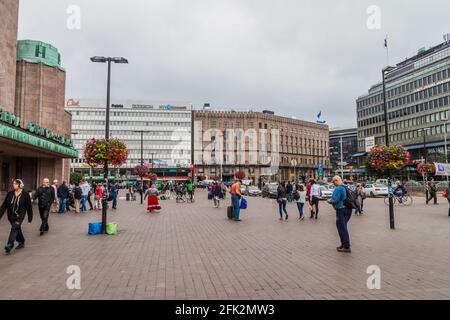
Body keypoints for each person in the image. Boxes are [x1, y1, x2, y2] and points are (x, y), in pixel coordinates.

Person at [0, 179, 33, 254]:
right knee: (17, 229)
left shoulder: (25, 194)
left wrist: (30, 217)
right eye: (13, 183)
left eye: (15, 184)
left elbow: (29, 207)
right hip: (11, 216)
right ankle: (21, 241)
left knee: (14, 228)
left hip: (20, 216)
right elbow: (4, 206)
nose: (13, 185)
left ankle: (9, 245)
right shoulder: (10, 193)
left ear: (20, 185)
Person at [330, 176, 352, 253]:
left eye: (333, 182)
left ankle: (346, 246)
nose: (333, 183)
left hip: (341, 209)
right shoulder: (344, 187)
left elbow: (334, 199)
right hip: (348, 209)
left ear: (336, 181)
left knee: (341, 228)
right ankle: (343, 244)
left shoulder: (338, 188)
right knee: (344, 226)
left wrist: (329, 201)